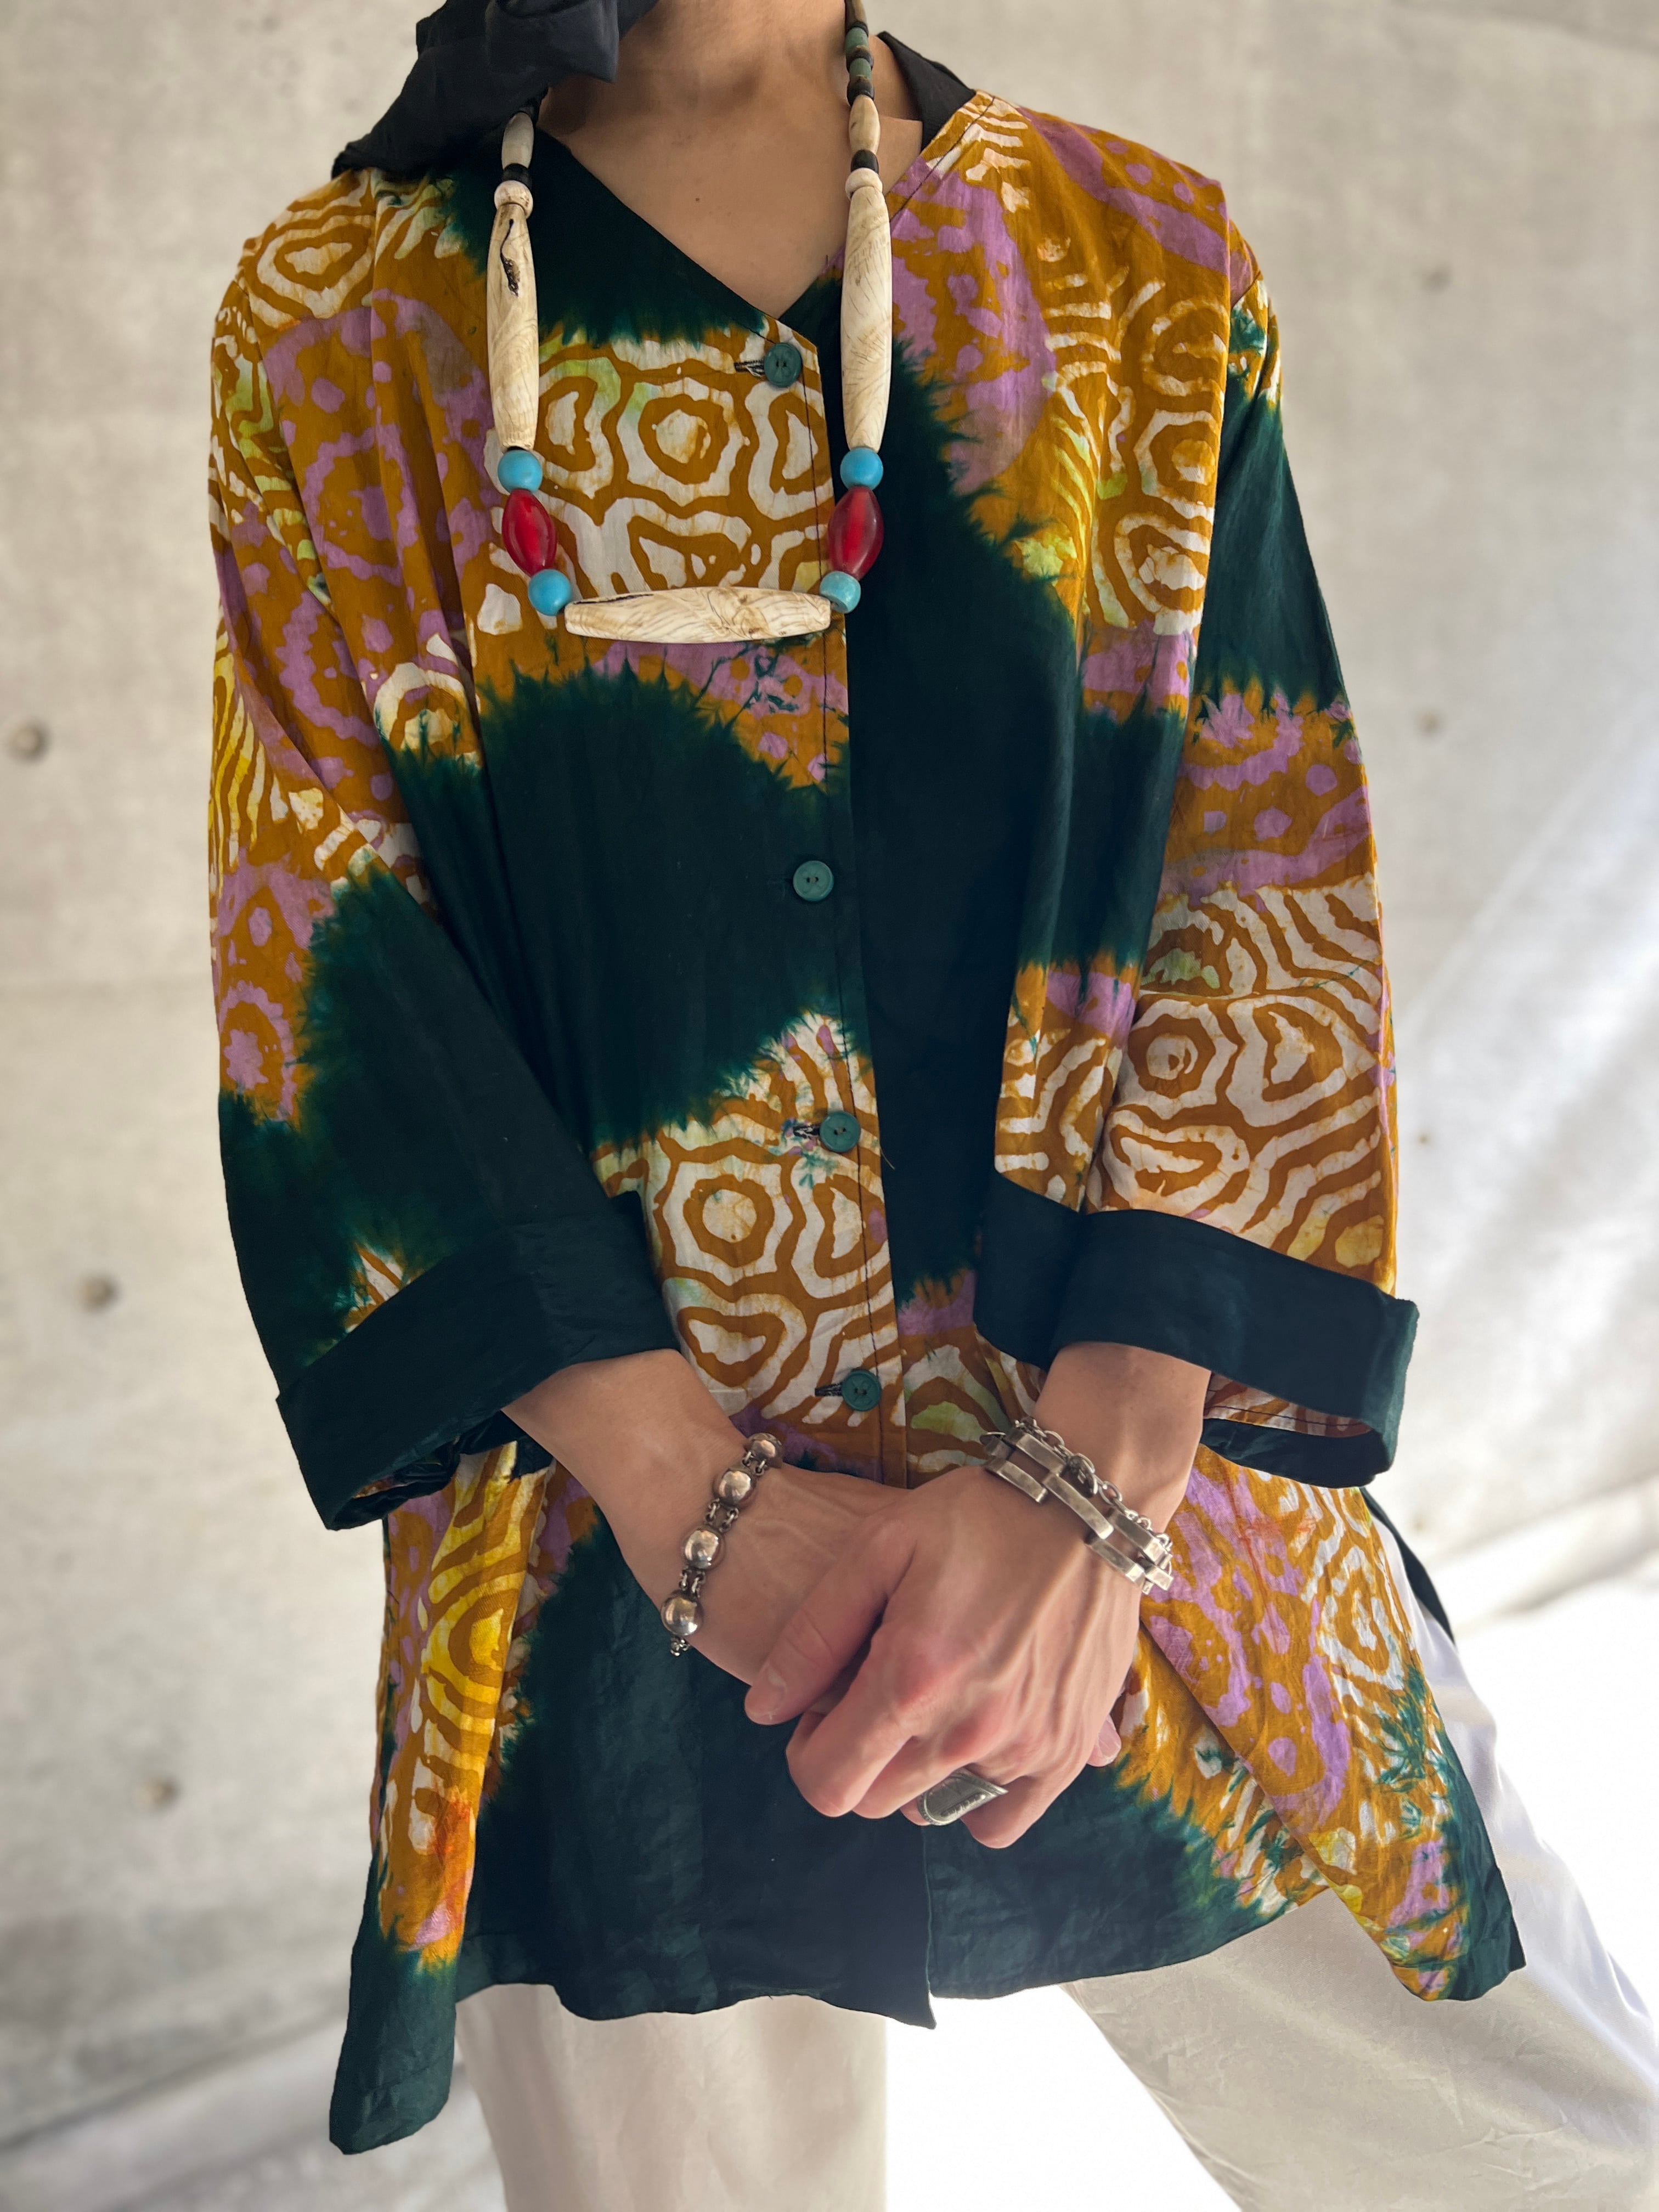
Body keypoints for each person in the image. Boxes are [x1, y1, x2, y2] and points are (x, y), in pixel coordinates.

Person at [206, 0, 1657, 2203]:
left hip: (1149, 1509)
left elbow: (1256, 878)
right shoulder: (341, 317)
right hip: (601, 1555)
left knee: (1543, 2157)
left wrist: (1087, 1499)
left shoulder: (1133, 257)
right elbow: (332, 960)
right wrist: (703, 1511)